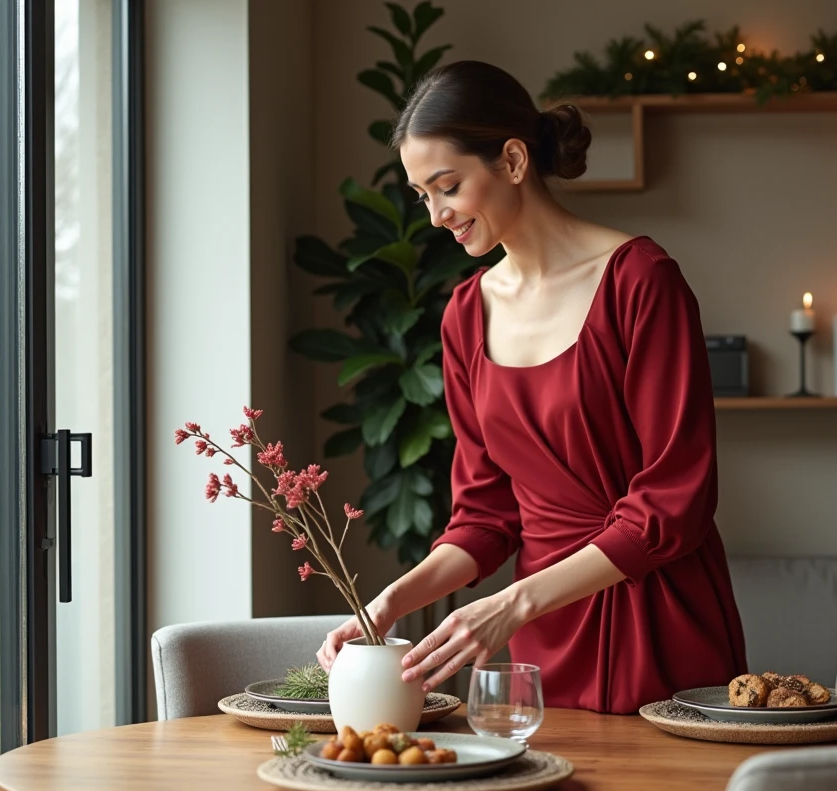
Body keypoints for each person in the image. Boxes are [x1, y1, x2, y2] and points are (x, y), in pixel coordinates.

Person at [316, 60, 746, 714]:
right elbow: (484, 517)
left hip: (659, 617)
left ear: (513, 161)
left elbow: (674, 501)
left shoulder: (641, 281)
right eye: (422, 196)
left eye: (448, 187)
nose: (436, 216)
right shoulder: (466, 314)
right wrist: (388, 604)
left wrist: (513, 603)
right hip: (540, 639)